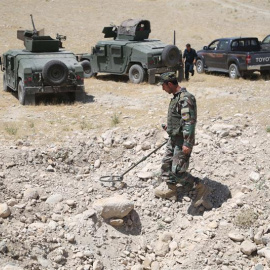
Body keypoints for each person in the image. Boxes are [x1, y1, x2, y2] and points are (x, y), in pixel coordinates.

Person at [154, 72, 212, 209]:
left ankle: (200, 187)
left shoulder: (185, 98)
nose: (163, 89)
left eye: (163, 86)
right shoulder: (177, 97)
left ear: (169, 84)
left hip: (182, 141)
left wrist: (187, 143)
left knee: (178, 170)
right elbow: (181, 119)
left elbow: (189, 122)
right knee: (166, 166)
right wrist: (171, 127)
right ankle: (171, 191)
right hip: (174, 138)